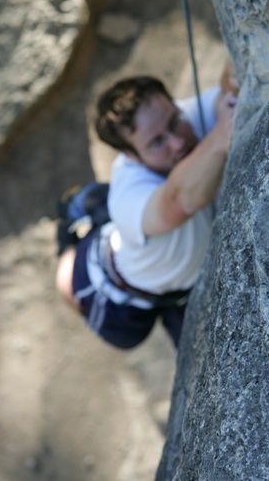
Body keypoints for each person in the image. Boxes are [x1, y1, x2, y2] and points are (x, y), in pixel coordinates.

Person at [55, 61, 237, 350]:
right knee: (106, 319)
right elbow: (180, 199)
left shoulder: (177, 120)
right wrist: (219, 137)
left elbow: (230, 91)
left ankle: (89, 206)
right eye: (156, 142)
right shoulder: (128, 194)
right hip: (119, 285)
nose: (177, 142)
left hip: (183, 284)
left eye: (174, 121)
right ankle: (71, 233)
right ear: (131, 156)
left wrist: (234, 75)